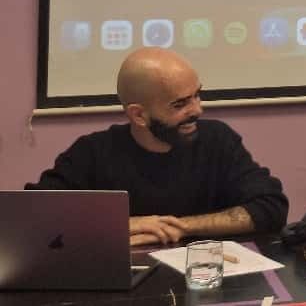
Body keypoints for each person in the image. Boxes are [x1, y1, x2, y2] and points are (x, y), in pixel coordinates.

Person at [26, 48, 288, 246]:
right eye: (180, 104)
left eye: (197, 95)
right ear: (139, 115)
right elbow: (33, 217)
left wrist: (181, 227)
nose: (197, 110)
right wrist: (124, 225)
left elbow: (270, 207)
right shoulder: (92, 153)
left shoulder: (218, 140)